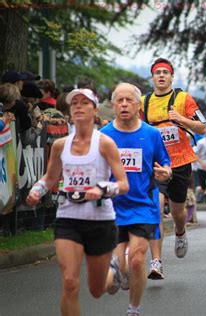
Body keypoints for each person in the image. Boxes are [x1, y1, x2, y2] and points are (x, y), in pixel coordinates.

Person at [25, 88, 129, 315]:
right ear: (70, 111)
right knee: (70, 281)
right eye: (75, 104)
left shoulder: (105, 143)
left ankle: (113, 268)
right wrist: (37, 190)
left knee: (97, 289)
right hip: (68, 218)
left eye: (84, 103)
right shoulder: (61, 145)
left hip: (100, 220)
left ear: (94, 109)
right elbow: (50, 177)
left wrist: (101, 189)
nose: (79, 106)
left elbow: (123, 184)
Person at [101, 83, 172, 315]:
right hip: (113, 208)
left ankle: (134, 309)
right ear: (113, 106)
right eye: (119, 101)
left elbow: (165, 163)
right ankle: (119, 273)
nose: (123, 105)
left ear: (138, 105)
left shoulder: (151, 134)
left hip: (144, 206)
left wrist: (167, 172)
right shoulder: (103, 136)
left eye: (128, 100)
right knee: (118, 272)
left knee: (137, 259)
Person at [141, 58, 206, 279]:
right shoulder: (144, 102)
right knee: (155, 208)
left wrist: (182, 120)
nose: (161, 75)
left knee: (178, 211)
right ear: (152, 77)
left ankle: (180, 232)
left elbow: (202, 127)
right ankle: (156, 261)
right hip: (155, 163)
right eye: (157, 72)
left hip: (179, 161)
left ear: (171, 77)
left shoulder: (183, 99)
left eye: (165, 72)